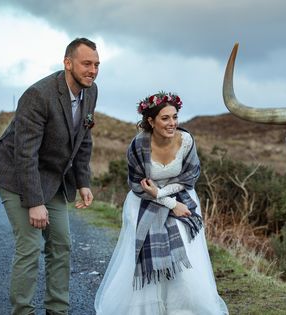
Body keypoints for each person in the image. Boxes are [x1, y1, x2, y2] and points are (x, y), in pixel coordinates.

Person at [0, 37, 100, 315]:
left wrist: (83, 182)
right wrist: (34, 202)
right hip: (17, 175)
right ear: (68, 63)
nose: (92, 70)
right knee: (30, 245)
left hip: (52, 178)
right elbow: (25, 153)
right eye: (86, 64)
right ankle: (23, 311)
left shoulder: (91, 92)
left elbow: (83, 140)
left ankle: (57, 310)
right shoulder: (38, 95)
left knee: (62, 244)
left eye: (96, 64)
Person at [95, 92, 228, 314]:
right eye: (165, 118)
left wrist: (164, 194)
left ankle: (182, 307)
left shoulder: (186, 141)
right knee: (145, 231)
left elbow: (190, 177)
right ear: (151, 121)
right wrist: (167, 202)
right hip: (144, 199)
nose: (172, 123)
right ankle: (145, 306)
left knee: (180, 231)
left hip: (180, 194)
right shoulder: (138, 145)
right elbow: (138, 185)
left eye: (175, 117)